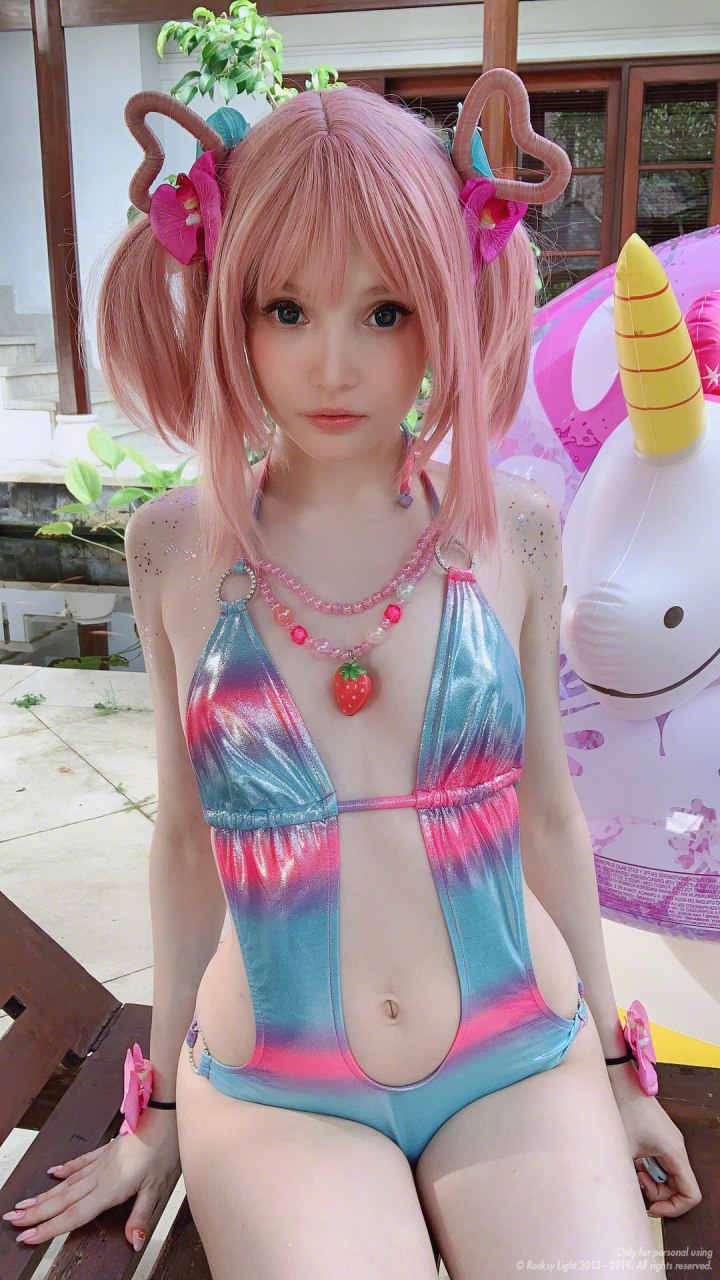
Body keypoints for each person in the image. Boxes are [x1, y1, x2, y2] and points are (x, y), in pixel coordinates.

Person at [5, 71, 699, 1278]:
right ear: (229, 307)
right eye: (287, 308)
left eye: (385, 311)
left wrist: (616, 1070)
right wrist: (156, 1108)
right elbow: (185, 844)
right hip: (277, 1087)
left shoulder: (514, 530)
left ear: (447, 304)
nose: (334, 363)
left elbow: (549, 815)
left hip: (520, 1054)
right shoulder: (172, 546)